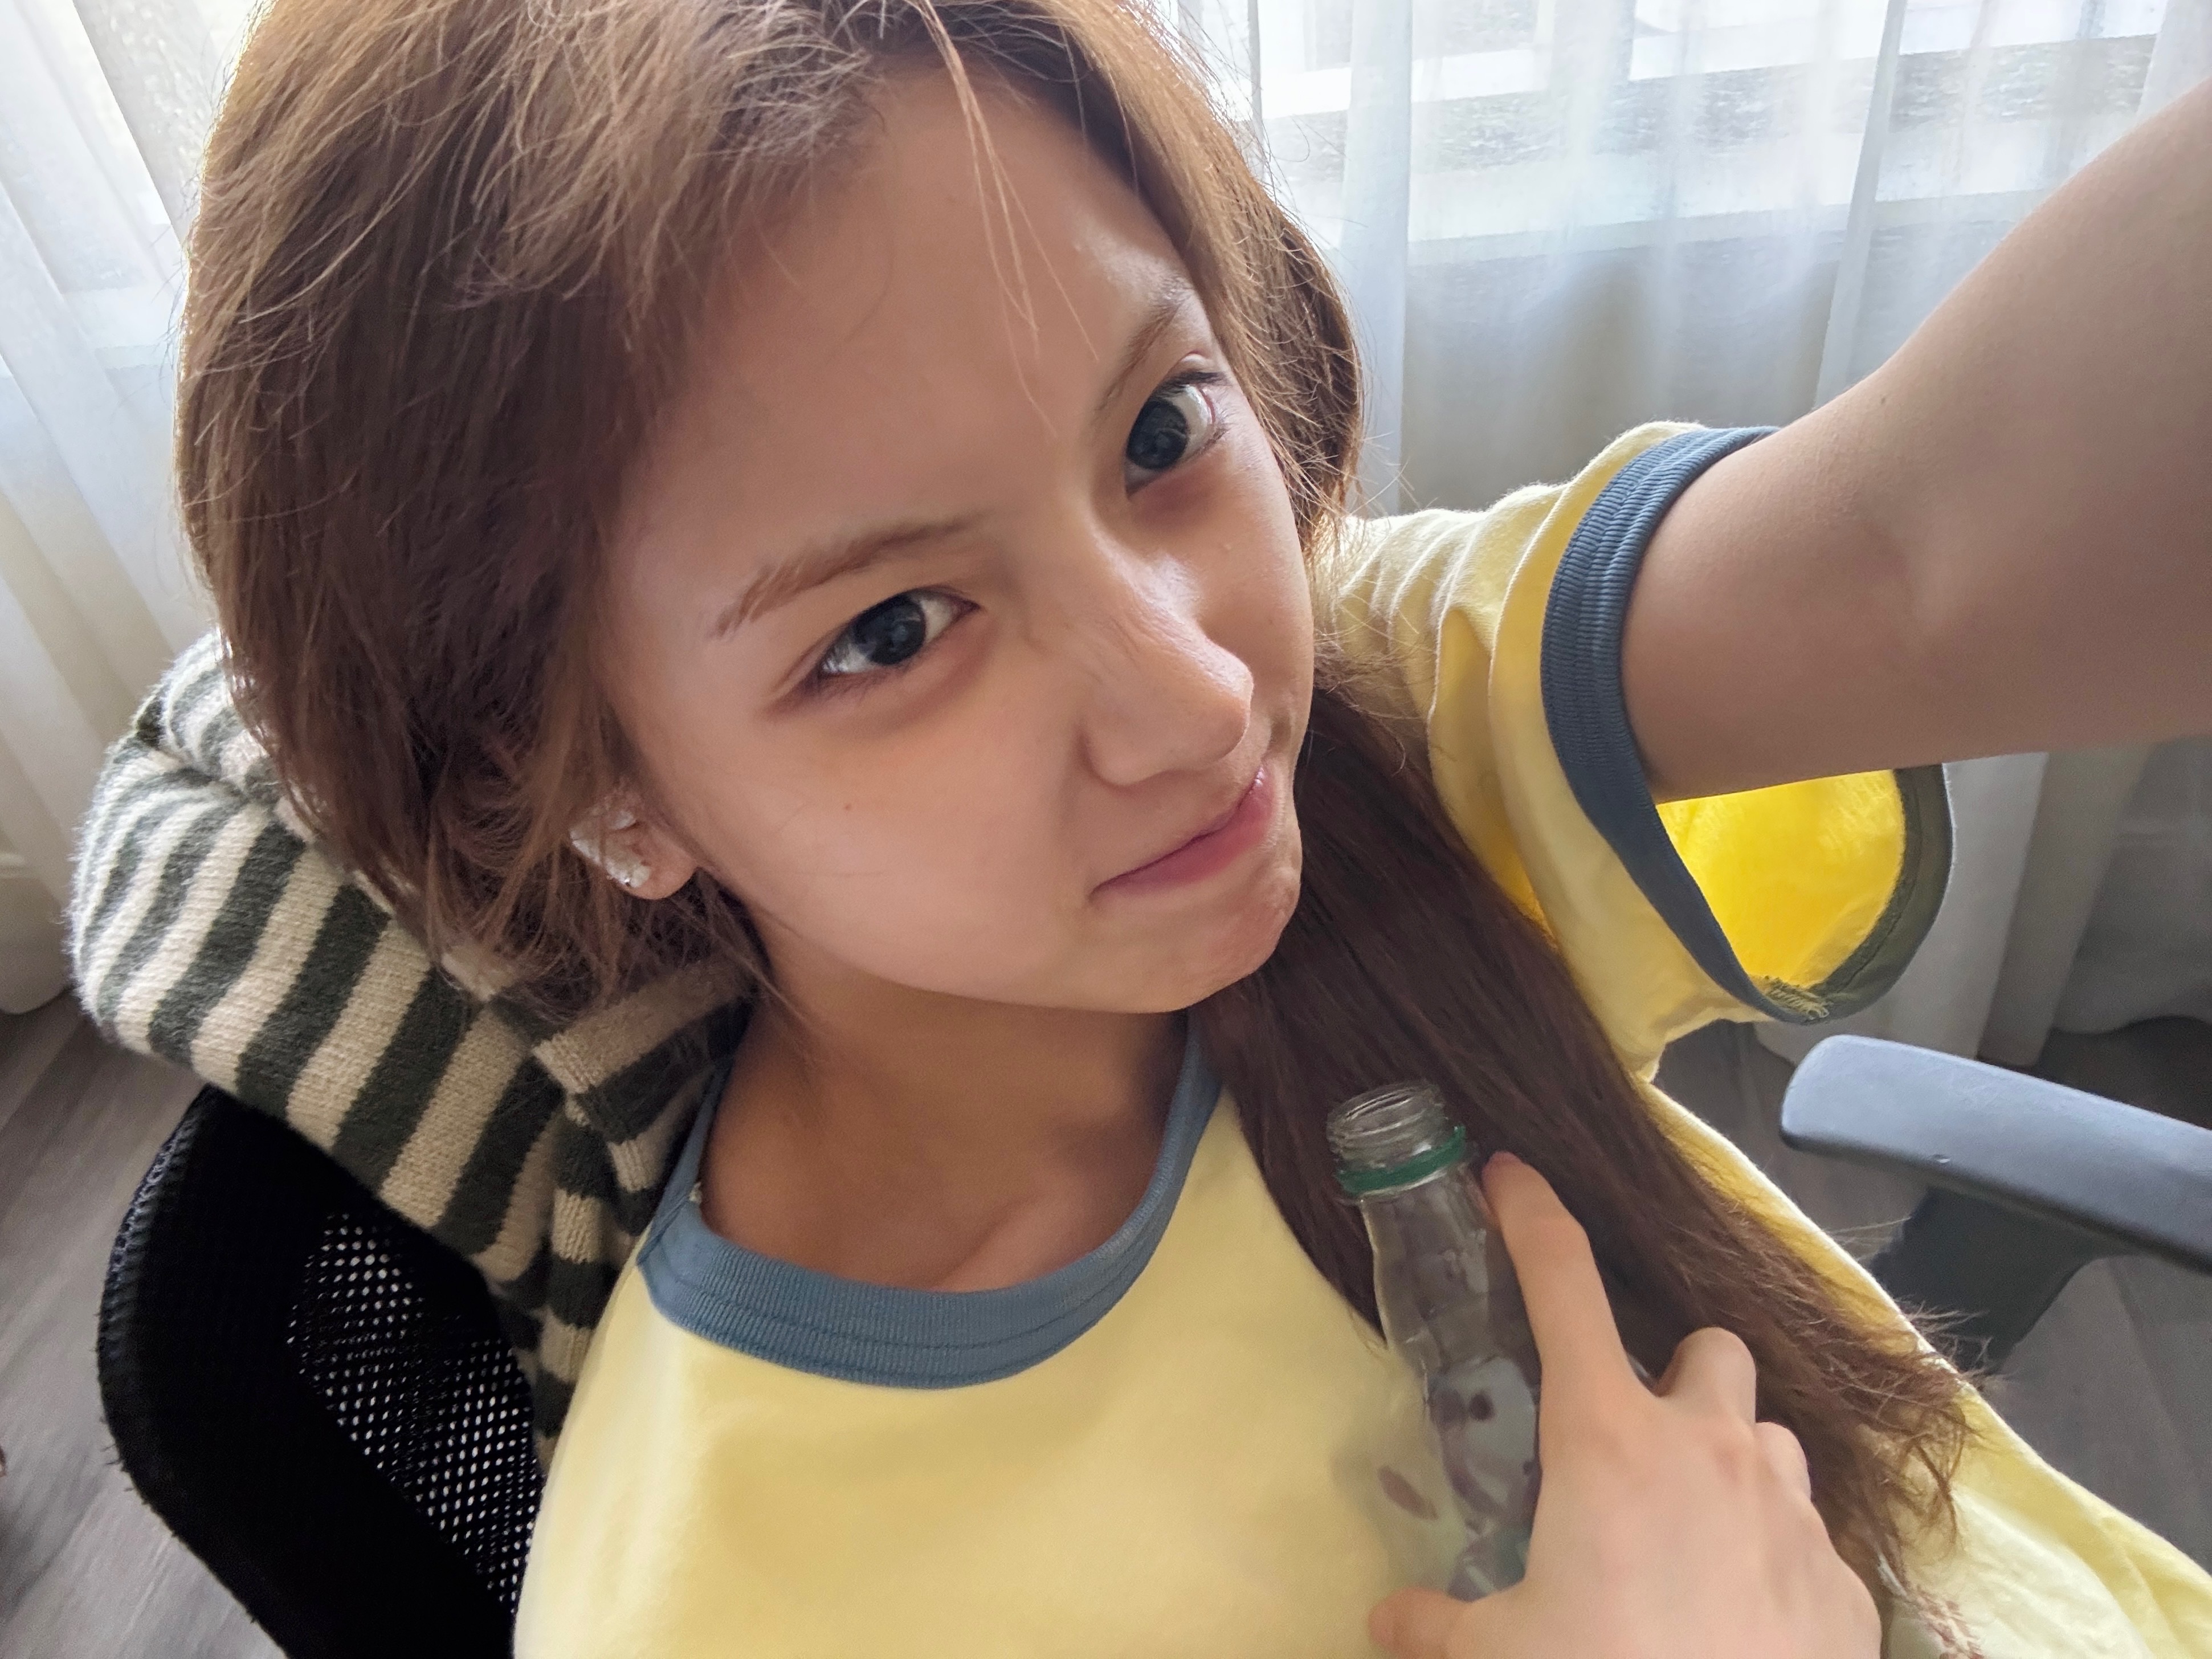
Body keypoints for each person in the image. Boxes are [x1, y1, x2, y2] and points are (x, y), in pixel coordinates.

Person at [66, 0, 2212, 1653]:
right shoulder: (722, 1602)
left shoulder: (1388, 737)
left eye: (1162, 431)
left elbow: (1921, 555)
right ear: (606, 801)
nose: (1196, 698)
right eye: (889, 631)